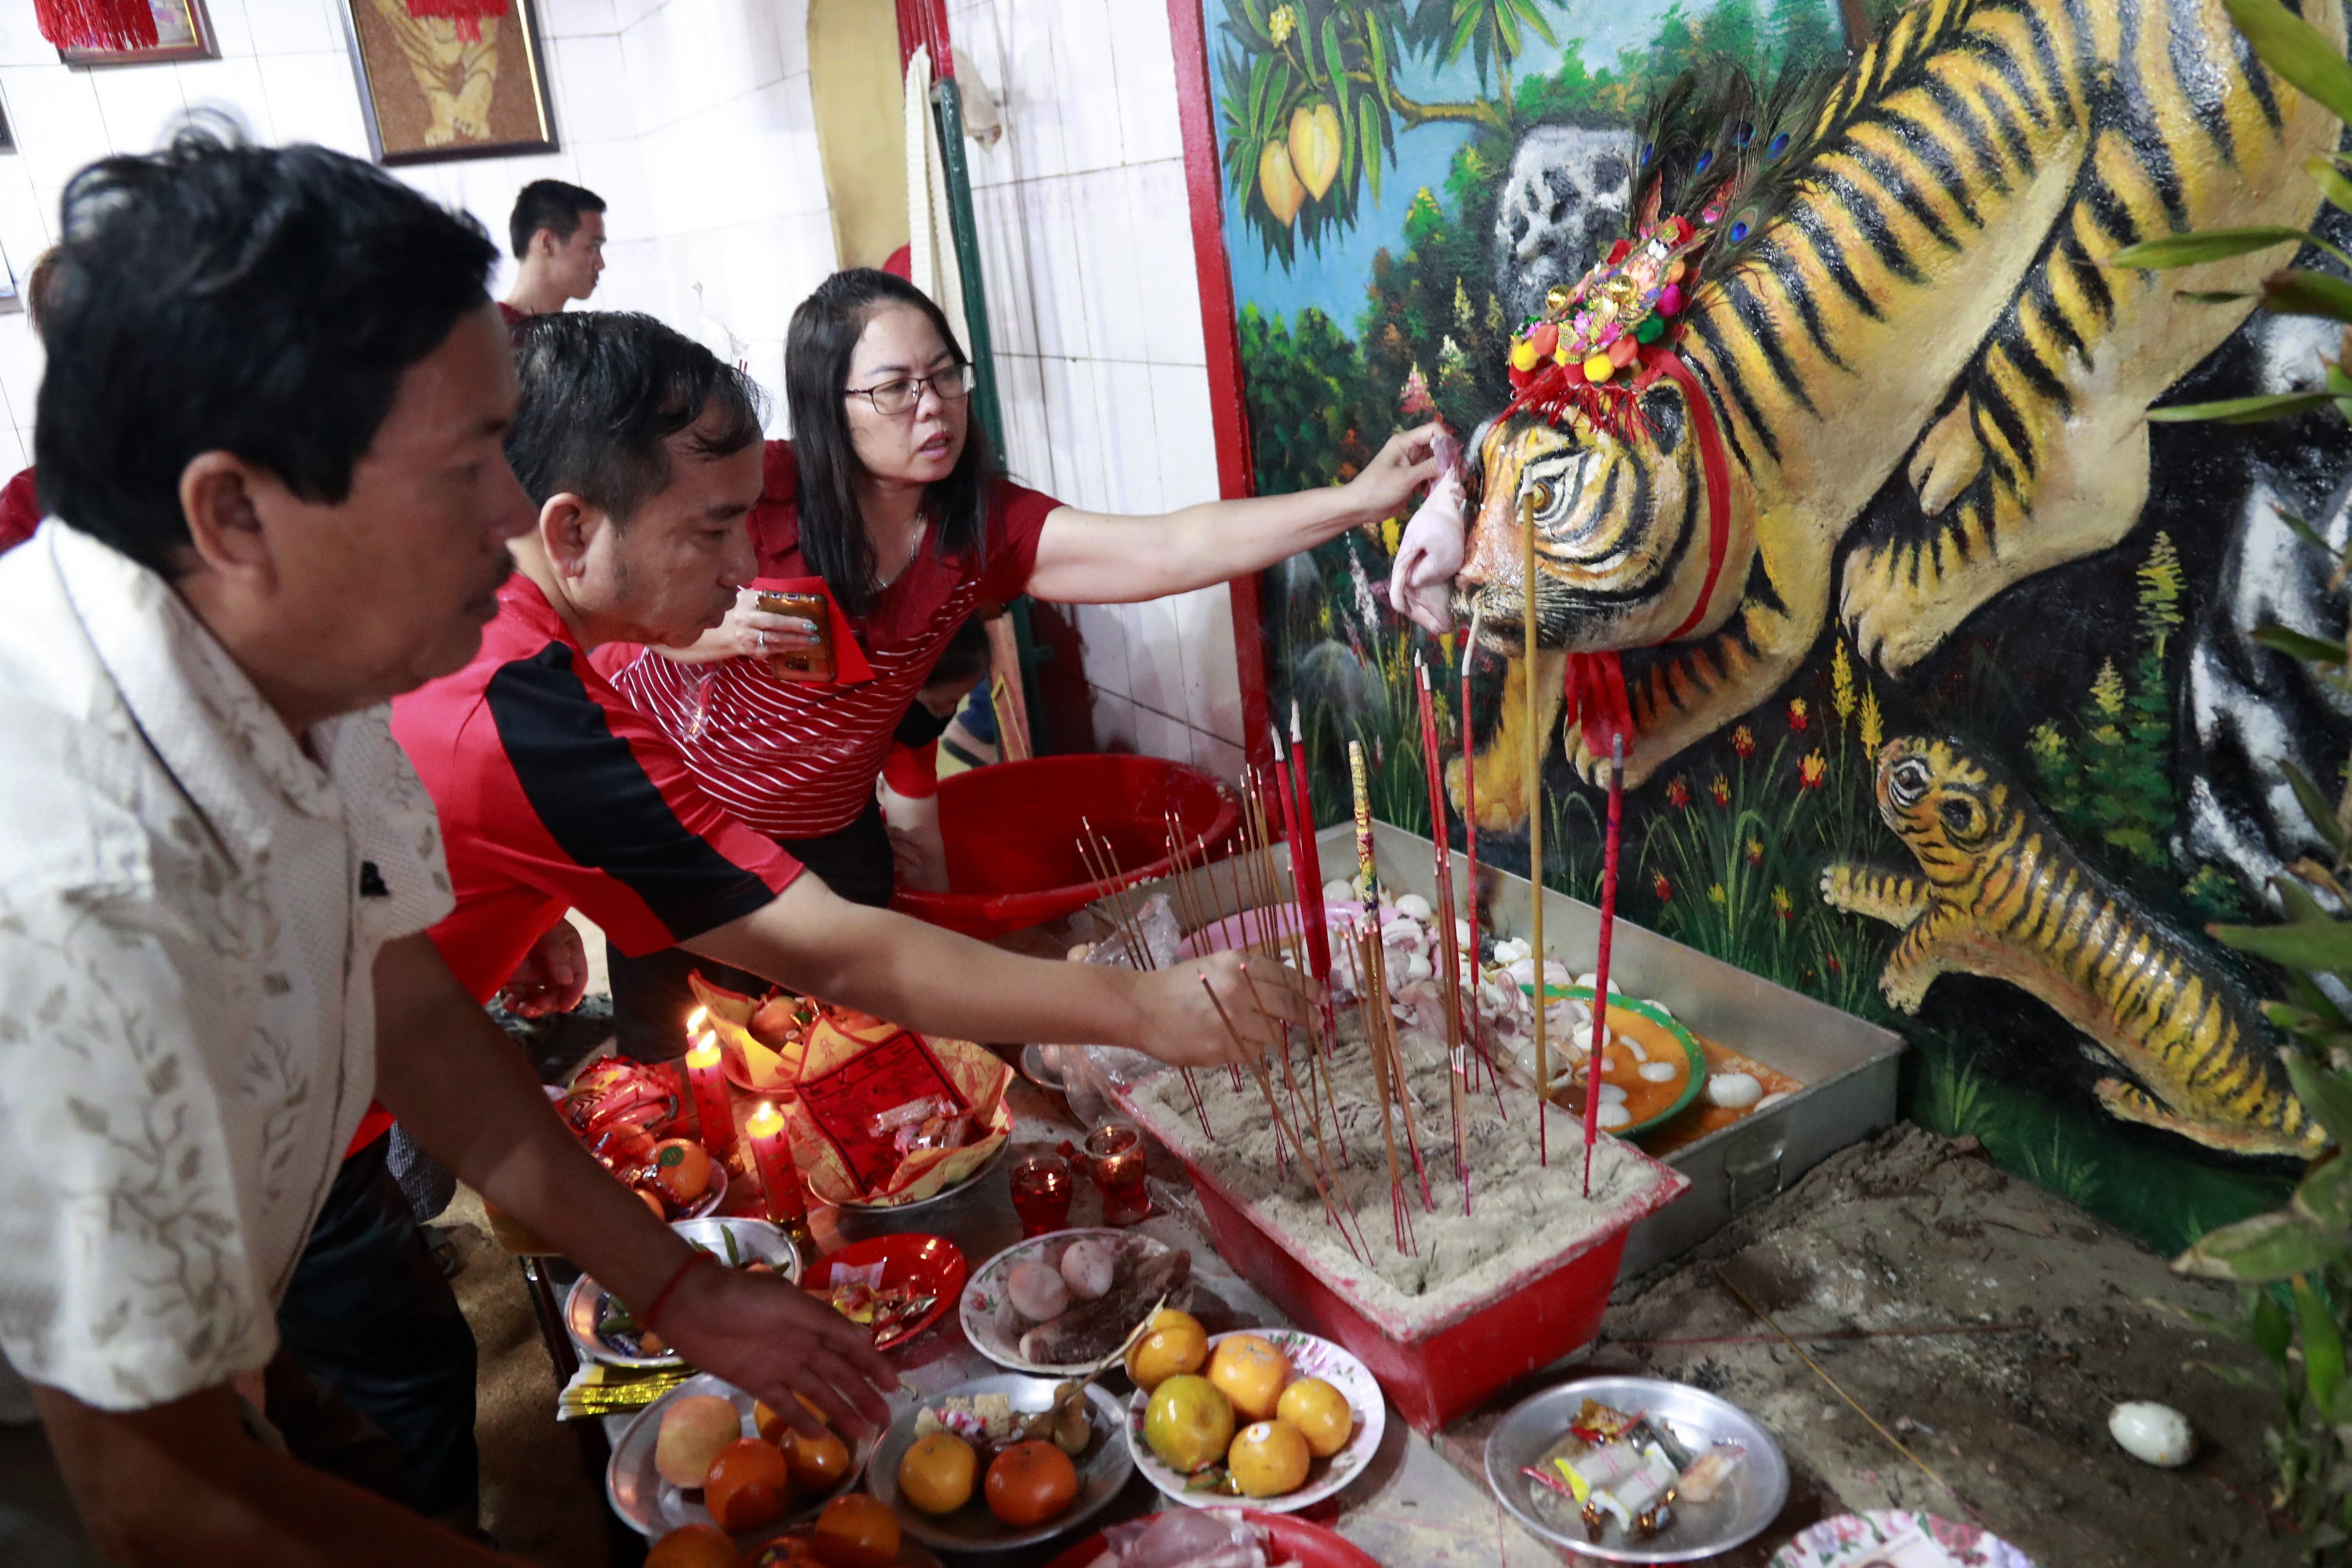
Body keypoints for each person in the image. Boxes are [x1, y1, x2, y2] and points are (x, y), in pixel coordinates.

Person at [0, 130, 897, 1564]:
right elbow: (163, 1497)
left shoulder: (296, 657)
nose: (511, 512)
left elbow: (412, 1012)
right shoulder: (77, 885)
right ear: (235, 510)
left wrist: (677, 1285)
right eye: (471, 460)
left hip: (228, 1273)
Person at [390, 308, 1305, 1072]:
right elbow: (831, 945)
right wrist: (1140, 1007)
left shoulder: (453, 622)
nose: (745, 565)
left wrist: (523, 903)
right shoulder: (534, 716)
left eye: (945, 376)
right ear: (572, 531)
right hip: (324, 1123)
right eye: (714, 532)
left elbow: (1165, 548)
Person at [594, 267, 1441, 1054]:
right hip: (674, 826)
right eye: (893, 389)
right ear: (828, 405)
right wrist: (716, 627)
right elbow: (606, 604)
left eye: (943, 377)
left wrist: (1353, 501)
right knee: (684, 1070)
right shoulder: (751, 496)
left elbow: (1168, 547)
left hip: (826, 836)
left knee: (849, 1065)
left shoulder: (976, 528)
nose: (930, 408)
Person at [880, 618, 992, 893]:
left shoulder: (917, 731)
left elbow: (922, 851)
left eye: (959, 702)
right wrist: (864, 836)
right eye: (940, 704)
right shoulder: (832, 728)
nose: (948, 716)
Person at [500, 178, 605, 326]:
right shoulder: (486, 336)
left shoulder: (576, 335)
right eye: (593, 247)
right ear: (547, 243)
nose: (601, 265)